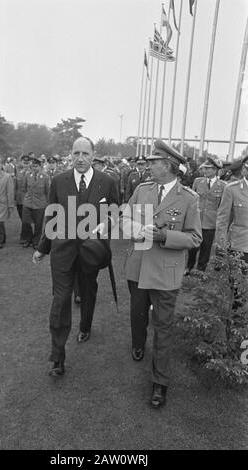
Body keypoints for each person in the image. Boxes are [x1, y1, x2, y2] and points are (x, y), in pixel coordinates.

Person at [122, 140, 202, 409]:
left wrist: (165, 235)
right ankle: (138, 344)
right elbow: (123, 217)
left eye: (153, 162)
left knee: (164, 328)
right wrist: (134, 228)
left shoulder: (189, 198)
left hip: (166, 273)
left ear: (167, 166)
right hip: (138, 267)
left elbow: (195, 238)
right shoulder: (142, 190)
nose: (148, 166)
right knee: (137, 314)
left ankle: (160, 383)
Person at [33, 137, 119, 377]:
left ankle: (85, 326)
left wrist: (107, 224)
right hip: (62, 251)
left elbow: (116, 210)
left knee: (89, 290)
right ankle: (57, 356)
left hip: (92, 251)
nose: (80, 158)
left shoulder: (108, 182)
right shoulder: (59, 181)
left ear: (94, 155)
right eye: (76, 153)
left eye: (85, 153)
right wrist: (43, 248)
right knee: (60, 300)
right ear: (70, 155)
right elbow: (51, 215)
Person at [215, 155, 248, 307]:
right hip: (239, 248)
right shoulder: (232, 189)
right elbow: (222, 220)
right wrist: (221, 247)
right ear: (243, 169)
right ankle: (235, 325)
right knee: (238, 293)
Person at [185, 156, 226, 274]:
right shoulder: (198, 181)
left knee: (206, 247)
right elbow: (192, 200)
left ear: (215, 170)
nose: (206, 171)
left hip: (211, 222)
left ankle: (200, 269)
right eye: (205, 168)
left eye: (209, 169)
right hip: (197, 220)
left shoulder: (223, 185)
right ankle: (189, 267)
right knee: (193, 246)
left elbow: (223, 206)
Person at [21, 156, 50, 249]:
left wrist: (45, 202)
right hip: (28, 202)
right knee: (26, 222)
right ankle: (27, 239)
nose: (34, 168)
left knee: (38, 224)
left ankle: (36, 241)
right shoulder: (27, 175)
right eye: (33, 166)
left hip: (39, 204)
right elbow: (25, 188)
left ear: (40, 167)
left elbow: (47, 191)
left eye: (36, 166)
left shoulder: (45, 177)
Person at [0, 158, 15, 249]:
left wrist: (10, 204)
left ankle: (0, 241)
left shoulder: (7, 176)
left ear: (1, 166)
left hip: (2, 203)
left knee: (0, 222)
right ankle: (0, 237)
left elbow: (10, 191)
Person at [15, 155, 31, 243]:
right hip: (19, 199)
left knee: (26, 220)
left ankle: (25, 237)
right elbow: (16, 186)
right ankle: (27, 236)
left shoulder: (33, 173)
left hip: (28, 200)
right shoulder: (18, 172)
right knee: (23, 219)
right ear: (21, 163)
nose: (26, 165)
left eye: (27, 163)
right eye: (24, 163)